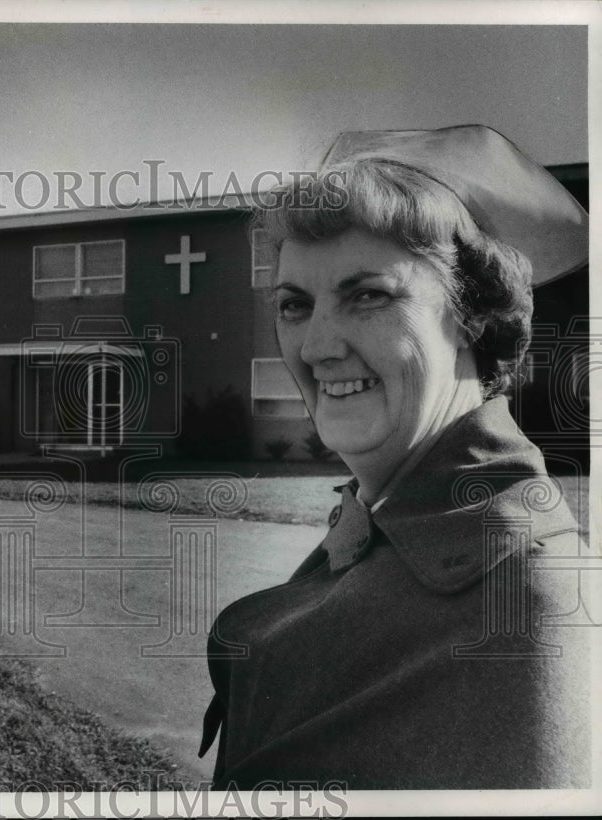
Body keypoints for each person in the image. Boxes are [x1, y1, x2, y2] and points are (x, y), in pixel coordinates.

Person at [200, 125, 591, 789]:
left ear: (472, 316)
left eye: (368, 295)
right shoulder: (388, 523)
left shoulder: (529, 606)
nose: (318, 345)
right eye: (295, 304)